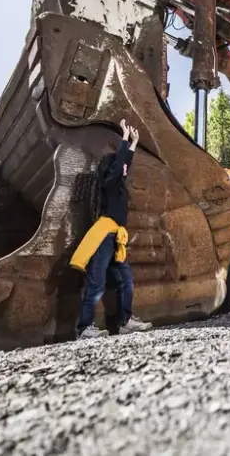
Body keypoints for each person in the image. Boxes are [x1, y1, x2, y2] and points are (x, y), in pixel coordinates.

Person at [70, 119, 153, 338]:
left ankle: (126, 322)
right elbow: (120, 166)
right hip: (104, 237)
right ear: (111, 169)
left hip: (116, 239)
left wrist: (134, 142)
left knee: (126, 281)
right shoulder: (110, 182)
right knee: (96, 284)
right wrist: (124, 137)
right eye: (118, 166)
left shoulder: (118, 186)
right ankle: (84, 329)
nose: (123, 169)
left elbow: (125, 165)